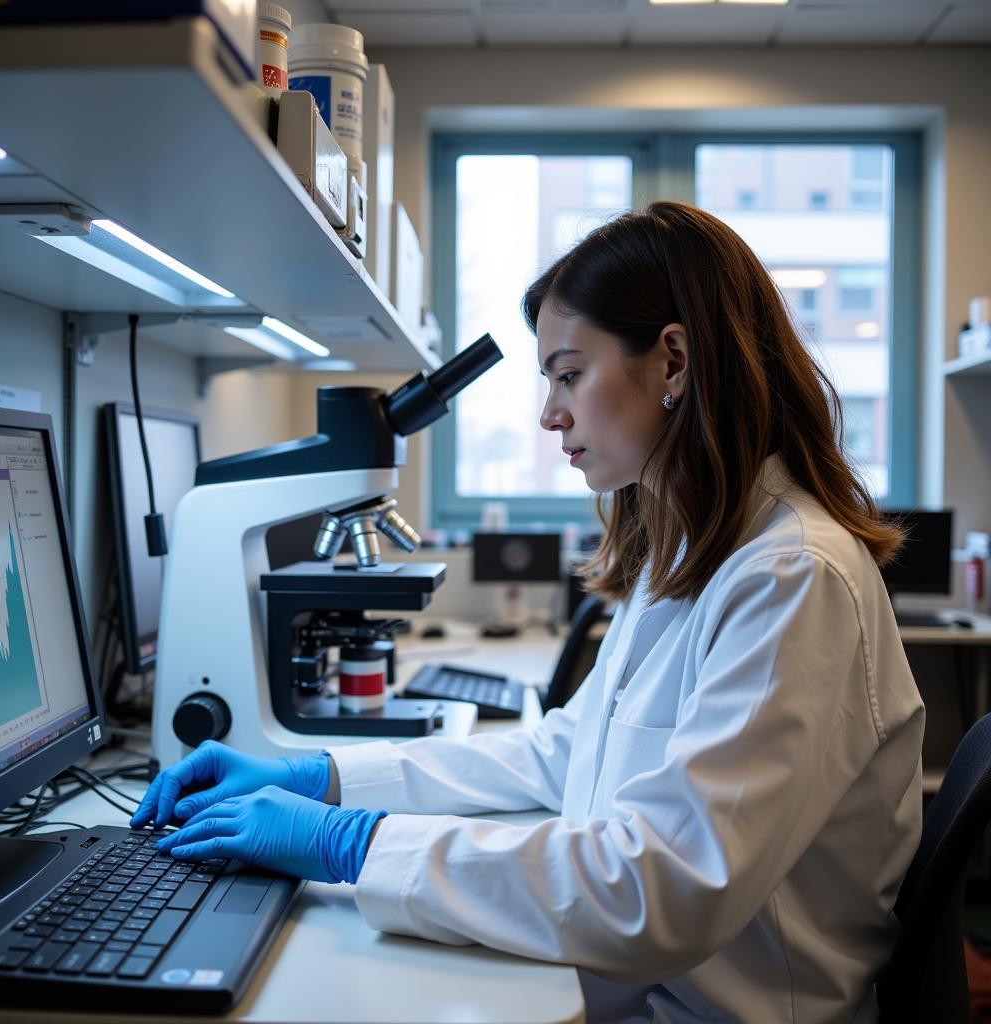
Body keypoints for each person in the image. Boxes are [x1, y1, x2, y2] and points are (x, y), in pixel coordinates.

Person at [132, 201, 925, 1023]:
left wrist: (350, 844)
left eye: (569, 374)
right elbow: (565, 751)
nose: (550, 413)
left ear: (674, 362)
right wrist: (325, 781)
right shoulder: (694, 551)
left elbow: (663, 891)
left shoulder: (793, 576)